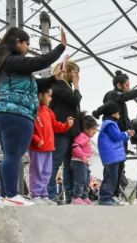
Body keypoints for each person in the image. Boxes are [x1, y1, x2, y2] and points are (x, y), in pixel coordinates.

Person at [0, 27, 67, 205]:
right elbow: (38, 62)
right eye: (27, 43)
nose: (28, 47)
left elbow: (35, 84)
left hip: (2, 113)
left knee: (9, 155)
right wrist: (61, 47)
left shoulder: (7, 63)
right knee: (14, 155)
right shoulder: (13, 61)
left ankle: (4, 196)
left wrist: (54, 79)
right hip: (16, 114)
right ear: (18, 42)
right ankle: (11, 195)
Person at [103, 70, 137, 200]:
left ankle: (114, 194)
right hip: (115, 137)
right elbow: (131, 95)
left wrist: (130, 129)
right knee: (113, 167)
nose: (129, 88)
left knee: (120, 167)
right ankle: (108, 195)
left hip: (122, 137)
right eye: (126, 85)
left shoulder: (119, 100)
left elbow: (124, 119)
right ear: (119, 85)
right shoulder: (113, 95)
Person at [29, 79, 74, 205]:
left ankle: (44, 195)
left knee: (47, 172)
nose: (51, 99)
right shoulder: (33, 109)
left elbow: (55, 125)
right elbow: (29, 128)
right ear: (40, 95)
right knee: (36, 171)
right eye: (49, 96)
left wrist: (66, 125)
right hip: (37, 147)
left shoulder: (48, 111)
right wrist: (36, 139)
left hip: (49, 147)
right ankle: (35, 195)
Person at [48, 60, 81, 204]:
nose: (77, 76)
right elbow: (75, 100)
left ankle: (70, 195)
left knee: (69, 164)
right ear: (67, 72)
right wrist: (77, 85)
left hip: (69, 131)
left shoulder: (65, 87)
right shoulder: (59, 85)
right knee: (56, 161)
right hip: (61, 131)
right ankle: (50, 193)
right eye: (75, 73)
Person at [94, 101, 134, 205]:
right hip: (112, 156)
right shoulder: (110, 124)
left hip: (112, 156)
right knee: (111, 178)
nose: (119, 115)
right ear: (113, 113)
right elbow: (116, 137)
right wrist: (126, 134)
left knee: (111, 177)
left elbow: (117, 137)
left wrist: (126, 134)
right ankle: (105, 198)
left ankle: (107, 197)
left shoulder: (110, 124)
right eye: (118, 112)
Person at [70, 113, 98, 205]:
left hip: (84, 163)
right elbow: (75, 146)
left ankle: (84, 197)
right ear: (88, 129)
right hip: (79, 162)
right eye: (94, 129)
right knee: (80, 181)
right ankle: (76, 197)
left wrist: (90, 153)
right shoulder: (83, 136)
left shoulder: (87, 138)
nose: (95, 132)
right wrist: (83, 156)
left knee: (86, 181)